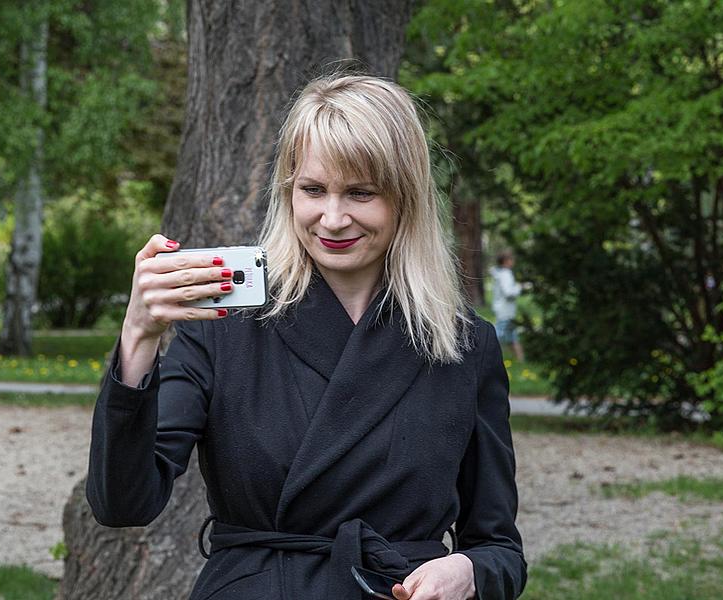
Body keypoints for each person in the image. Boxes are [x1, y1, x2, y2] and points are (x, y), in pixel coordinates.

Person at [86, 74, 527, 600]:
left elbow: (499, 548)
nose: (333, 219)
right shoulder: (227, 326)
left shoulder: (462, 346)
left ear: (406, 199)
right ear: (288, 190)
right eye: (313, 190)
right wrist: (138, 337)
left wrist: (469, 572)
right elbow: (123, 503)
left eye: (361, 193)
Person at [489, 252, 525, 362]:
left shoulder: (500, 273)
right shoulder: (505, 274)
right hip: (505, 311)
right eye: (511, 259)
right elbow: (508, 292)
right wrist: (520, 287)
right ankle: (486, 357)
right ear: (505, 261)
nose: (513, 261)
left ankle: (521, 360)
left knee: (512, 335)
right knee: (496, 336)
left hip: (505, 310)